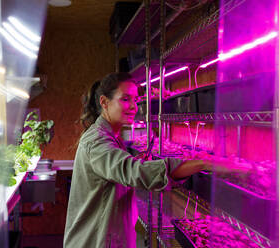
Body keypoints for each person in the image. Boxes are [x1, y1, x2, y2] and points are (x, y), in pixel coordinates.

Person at [63, 72, 211, 248]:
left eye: (135, 99)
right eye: (125, 99)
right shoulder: (97, 141)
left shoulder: (110, 136)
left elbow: (119, 172)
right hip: (95, 241)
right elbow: (135, 172)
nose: (134, 106)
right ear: (104, 102)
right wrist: (204, 163)